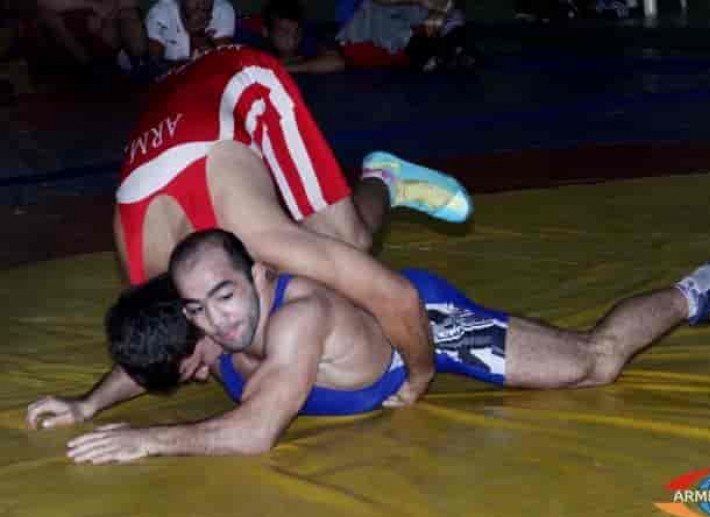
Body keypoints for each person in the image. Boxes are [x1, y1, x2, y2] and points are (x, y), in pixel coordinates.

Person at [25, 43, 472, 424]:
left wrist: (421, 372)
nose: (205, 374)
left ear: (191, 317)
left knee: (348, 243)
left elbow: (397, 296)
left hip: (239, 80)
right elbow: (157, 350)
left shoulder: (254, 235)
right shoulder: (144, 280)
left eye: (196, 367)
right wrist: (87, 405)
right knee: (299, 260)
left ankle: (384, 177)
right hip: (172, 103)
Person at [52, 229, 710, 463]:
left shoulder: (296, 318)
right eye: (200, 312)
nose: (217, 323)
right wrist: (88, 404)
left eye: (226, 297)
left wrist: (150, 440)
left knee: (594, 363)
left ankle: (699, 291)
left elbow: (254, 432)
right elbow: (151, 362)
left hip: (424, 326)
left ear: (258, 276)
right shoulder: (205, 326)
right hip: (371, 346)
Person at [337, 0, 478, 72]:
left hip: (415, 33)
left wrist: (440, 10)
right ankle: (424, 51)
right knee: (373, 10)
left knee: (452, 12)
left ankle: (453, 48)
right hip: (368, 36)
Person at [35, 0, 147, 73]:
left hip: (111, 19)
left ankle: (138, 61)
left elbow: (130, 3)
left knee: (129, 15)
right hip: (83, 43)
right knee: (48, 15)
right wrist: (93, 6)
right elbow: (44, 3)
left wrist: (108, 13)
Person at [255, 0, 346, 74]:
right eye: (284, 32)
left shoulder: (309, 41)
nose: (292, 39)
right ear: (266, 32)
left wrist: (283, 68)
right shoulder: (257, 47)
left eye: (297, 31)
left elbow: (337, 62)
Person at [145, 0, 235, 67]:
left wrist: (201, 37)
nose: (202, 3)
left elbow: (225, 63)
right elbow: (153, 66)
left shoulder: (222, 9)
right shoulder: (161, 13)